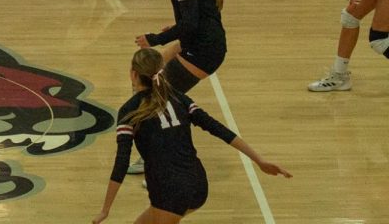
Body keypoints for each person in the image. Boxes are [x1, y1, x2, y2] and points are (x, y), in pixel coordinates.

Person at [92, 48, 290, 223]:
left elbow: (121, 163)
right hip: (197, 184)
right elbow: (219, 129)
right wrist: (260, 160)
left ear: (133, 75)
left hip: (168, 190)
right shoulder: (179, 98)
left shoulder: (130, 111)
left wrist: (105, 210)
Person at [129, 0, 227, 174]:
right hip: (200, 43)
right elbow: (197, 15)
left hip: (202, 50)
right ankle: (153, 155)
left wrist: (154, 39)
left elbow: (191, 23)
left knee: (155, 98)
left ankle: (162, 161)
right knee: (147, 81)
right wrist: (175, 29)